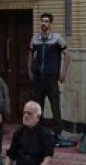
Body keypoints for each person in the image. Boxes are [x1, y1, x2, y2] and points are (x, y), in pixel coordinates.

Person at [27, 13, 69, 141]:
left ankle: (58, 133)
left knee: (55, 106)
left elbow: (67, 55)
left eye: (46, 21)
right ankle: (37, 131)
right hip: (38, 78)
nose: (43, 24)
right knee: (37, 106)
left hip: (51, 78)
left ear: (51, 23)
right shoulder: (35, 38)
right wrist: (29, 70)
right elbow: (30, 55)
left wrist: (63, 72)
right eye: (42, 21)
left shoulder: (57, 38)